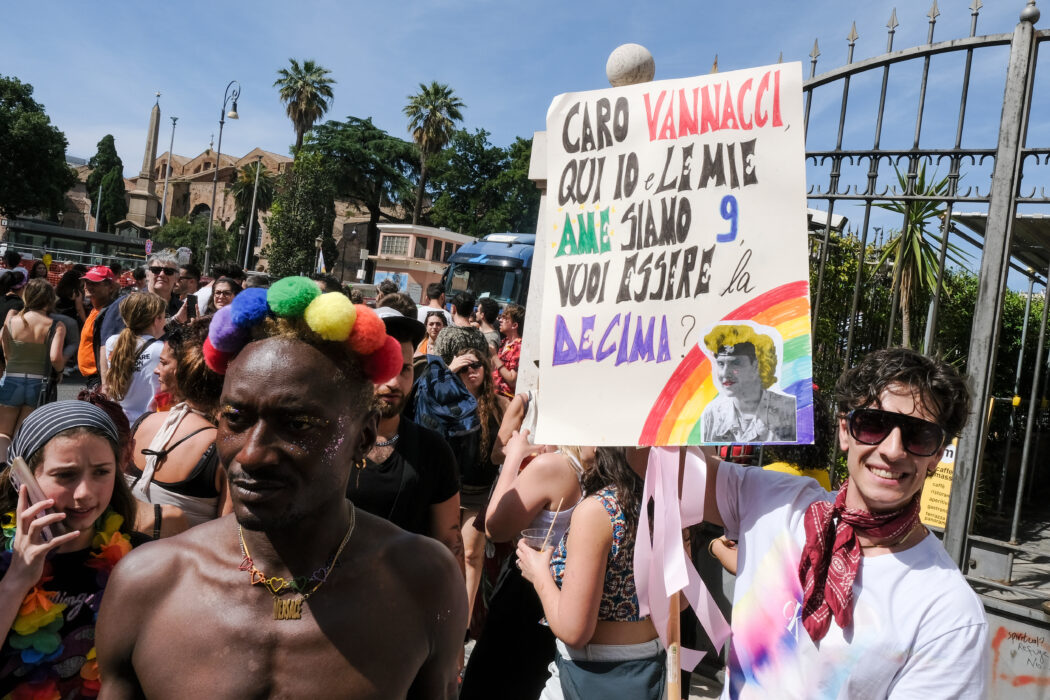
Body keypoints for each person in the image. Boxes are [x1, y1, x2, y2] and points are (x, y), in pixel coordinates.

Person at [96, 276, 466, 697]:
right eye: (235, 418)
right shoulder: (149, 582)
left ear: (363, 438)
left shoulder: (421, 583)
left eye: (297, 424)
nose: (252, 454)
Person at [700, 347, 986, 698]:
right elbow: (654, 465)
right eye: (873, 424)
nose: (893, 450)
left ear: (937, 455)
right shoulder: (775, 502)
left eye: (918, 435)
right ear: (845, 430)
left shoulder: (948, 613)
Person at [0, 400, 142, 699]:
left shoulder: (138, 557)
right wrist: (17, 579)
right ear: (23, 478)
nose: (85, 493)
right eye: (65, 475)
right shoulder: (4, 558)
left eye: (102, 472)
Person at [518, 446, 665, 700]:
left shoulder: (598, 510)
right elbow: (680, 602)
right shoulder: (662, 497)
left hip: (594, 671)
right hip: (650, 668)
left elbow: (575, 631)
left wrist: (539, 573)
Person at [460, 430, 589, 700]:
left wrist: (514, 456)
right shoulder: (605, 466)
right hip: (573, 589)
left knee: (498, 683)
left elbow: (494, 526)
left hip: (528, 589)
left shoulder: (554, 465)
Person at [351, 306, 463, 560]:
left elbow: (449, 542)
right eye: (382, 367)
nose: (393, 383)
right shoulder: (326, 444)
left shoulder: (433, 450)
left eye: (404, 369)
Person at [435, 328, 508, 625]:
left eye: (476, 365)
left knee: (470, 555)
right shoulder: (446, 401)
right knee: (443, 552)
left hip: (480, 491)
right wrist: (448, 373)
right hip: (448, 489)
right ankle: (439, 613)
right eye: (464, 367)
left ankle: (462, 623)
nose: (471, 372)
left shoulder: (500, 404)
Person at [126, 319, 231, 528]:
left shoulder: (143, 424)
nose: (156, 370)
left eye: (164, 363)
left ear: (187, 368)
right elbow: (227, 535)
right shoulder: (224, 447)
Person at [700, 324, 797, 443]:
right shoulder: (713, 414)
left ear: (756, 365)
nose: (725, 373)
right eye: (721, 364)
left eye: (736, 363)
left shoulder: (790, 411)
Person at [0, 279, 66, 453]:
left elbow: (5, 347)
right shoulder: (56, 325)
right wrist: (59, 371)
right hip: (38, 384)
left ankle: (1, 469)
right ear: (50, 299)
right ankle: (14, 469)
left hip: (12, 378)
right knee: (21, 434)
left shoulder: (12, 321)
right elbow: (55, 357)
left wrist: (10, 364)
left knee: (3, 434)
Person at [100, 293, 166, 423]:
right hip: (147, 423)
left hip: (118, 422)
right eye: (164, 317)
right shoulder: (162, 350)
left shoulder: (113, 342)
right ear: (157, 319)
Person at [77, 266, 121, 391]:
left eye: (94, 283)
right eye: (86, 282)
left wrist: (105, 384)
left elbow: (111, 349)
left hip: (100, 379)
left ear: (110, 287)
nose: (87, 286)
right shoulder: (96, 309)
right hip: (93, 378)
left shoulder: (110, 313)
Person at [493, 303, 523, 398]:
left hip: (505, 398)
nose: (500, 320)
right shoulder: (504, 342)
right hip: (493, 395)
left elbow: (512, 380)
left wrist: (494, 357)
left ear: (514, 325)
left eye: (505, 318)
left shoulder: (519, 346)